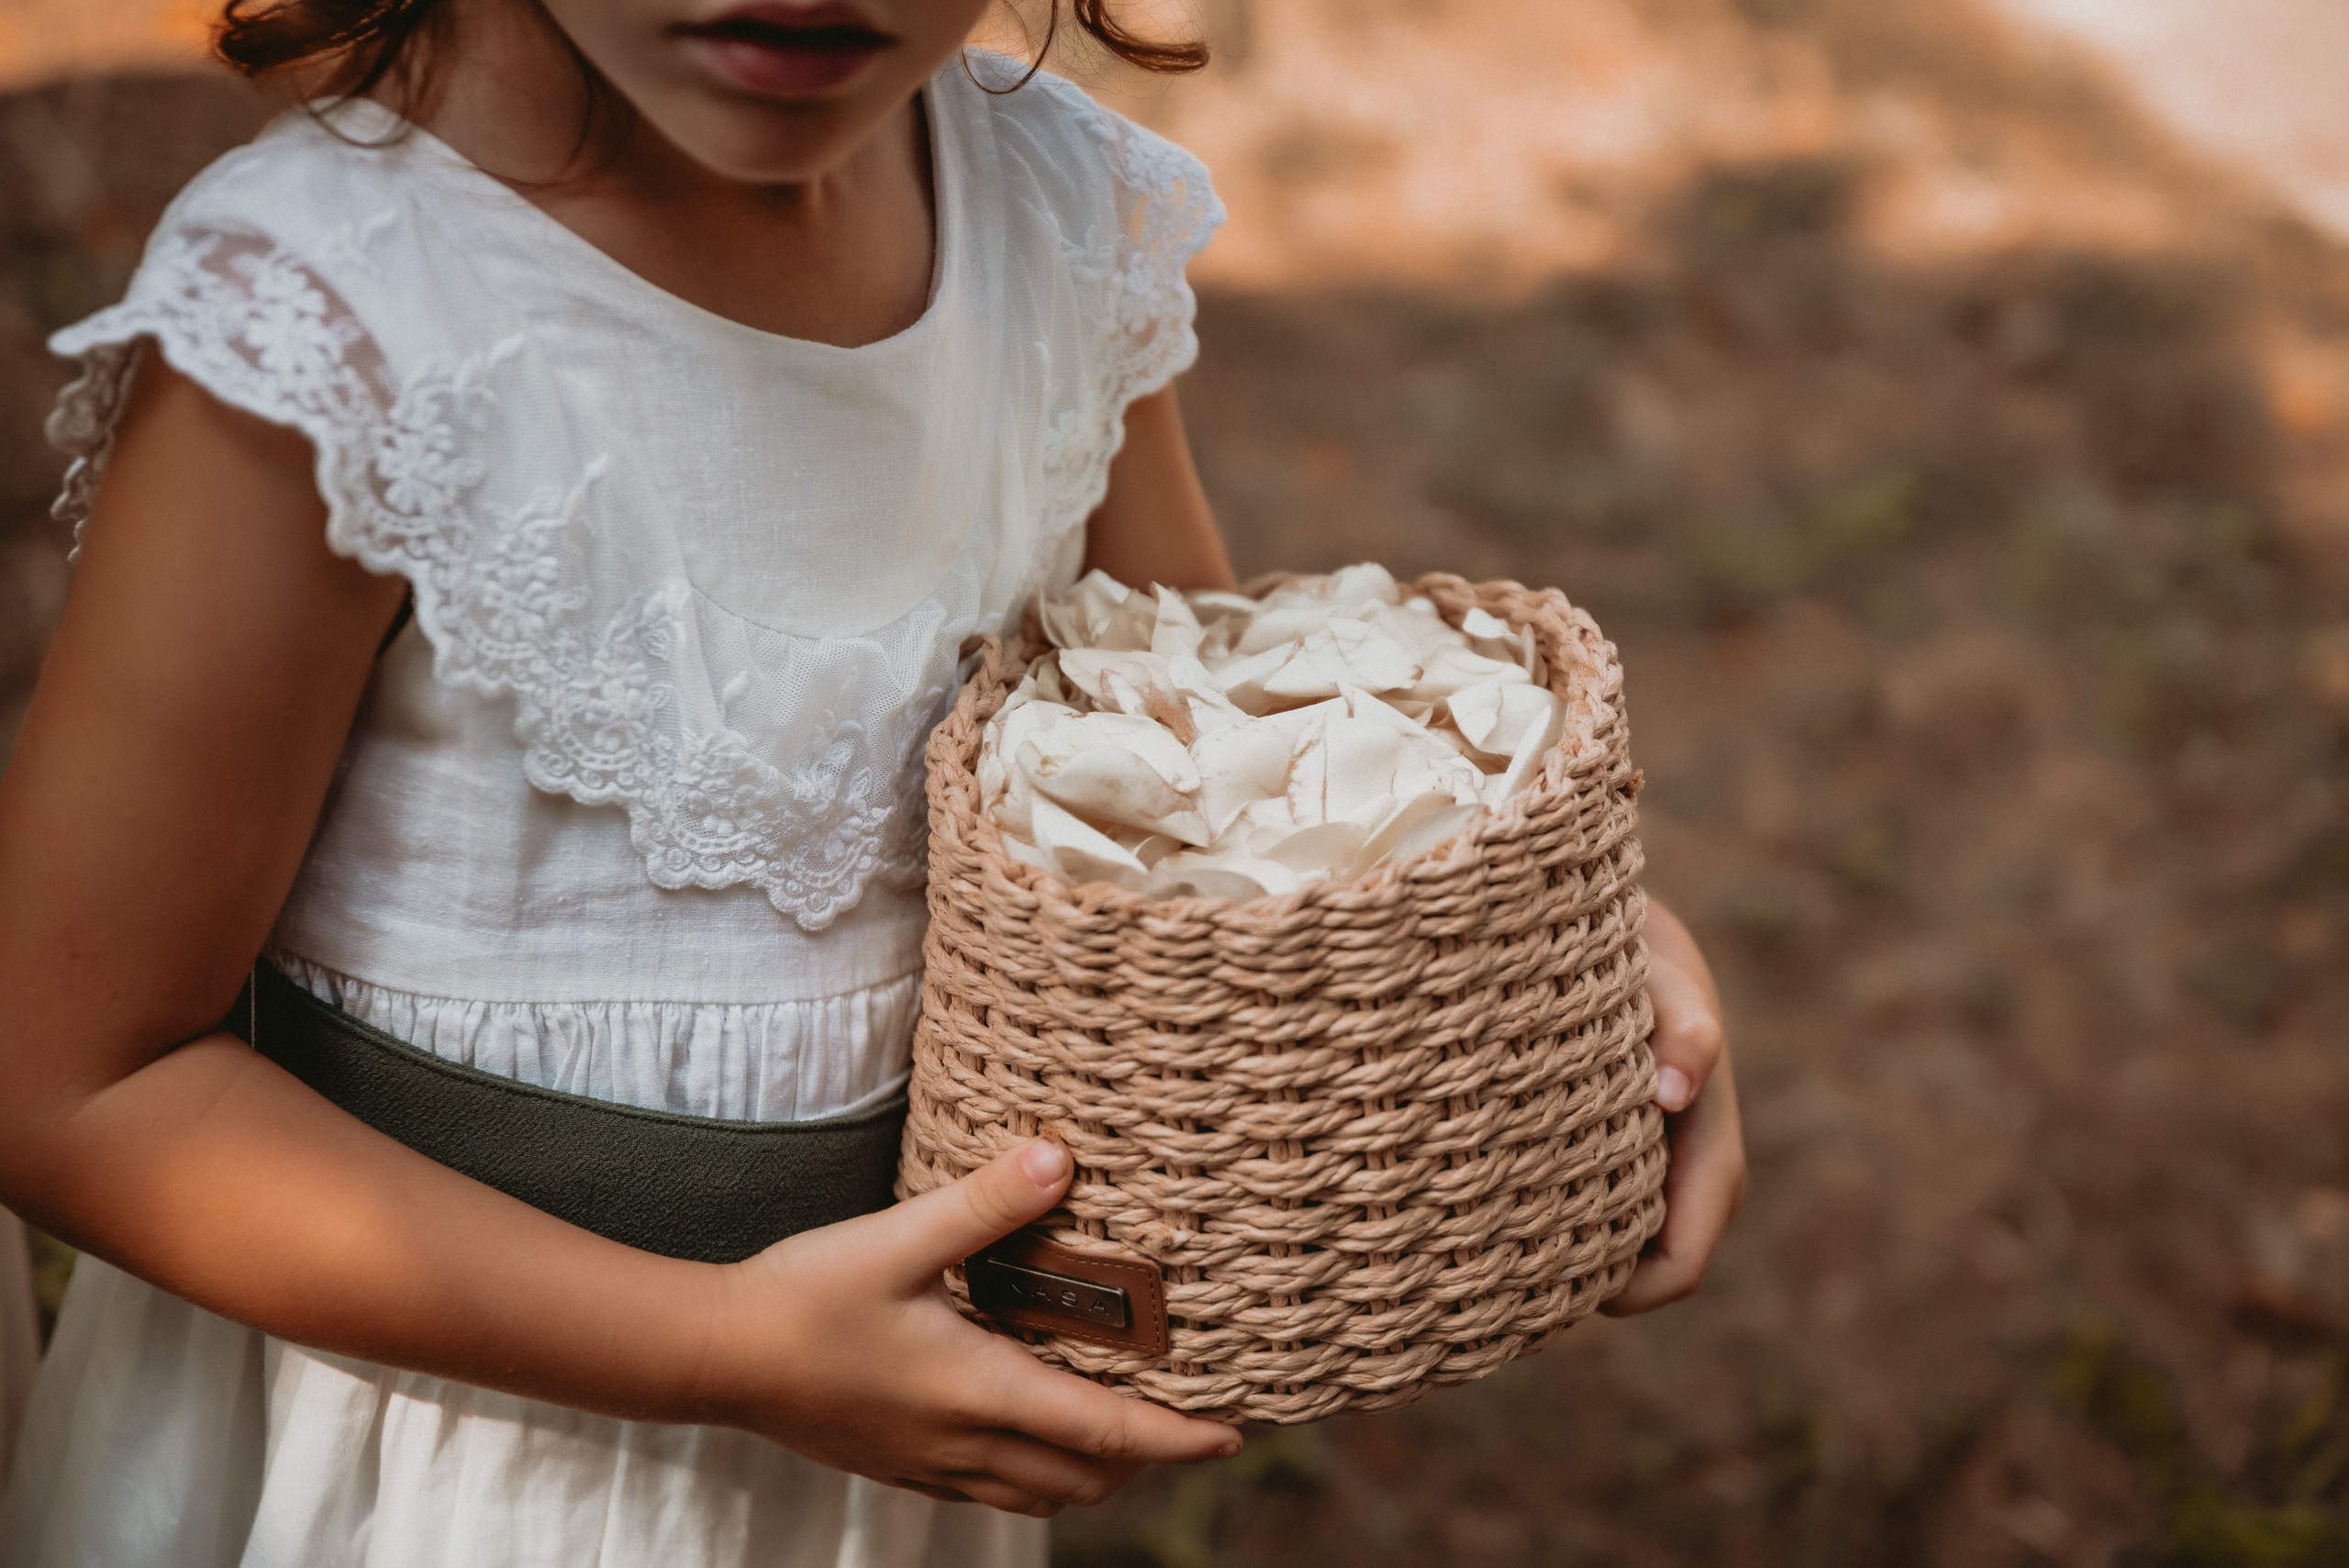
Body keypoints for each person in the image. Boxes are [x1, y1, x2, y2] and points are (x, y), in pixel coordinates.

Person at [0, 0, 1747, 1562]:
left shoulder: (1046, 224)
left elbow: (1220, 784)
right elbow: (65, 1078)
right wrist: (714, 1354)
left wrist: (1553, 957)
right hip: (449, 1475)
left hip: (869, 1464)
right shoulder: (343, 322)